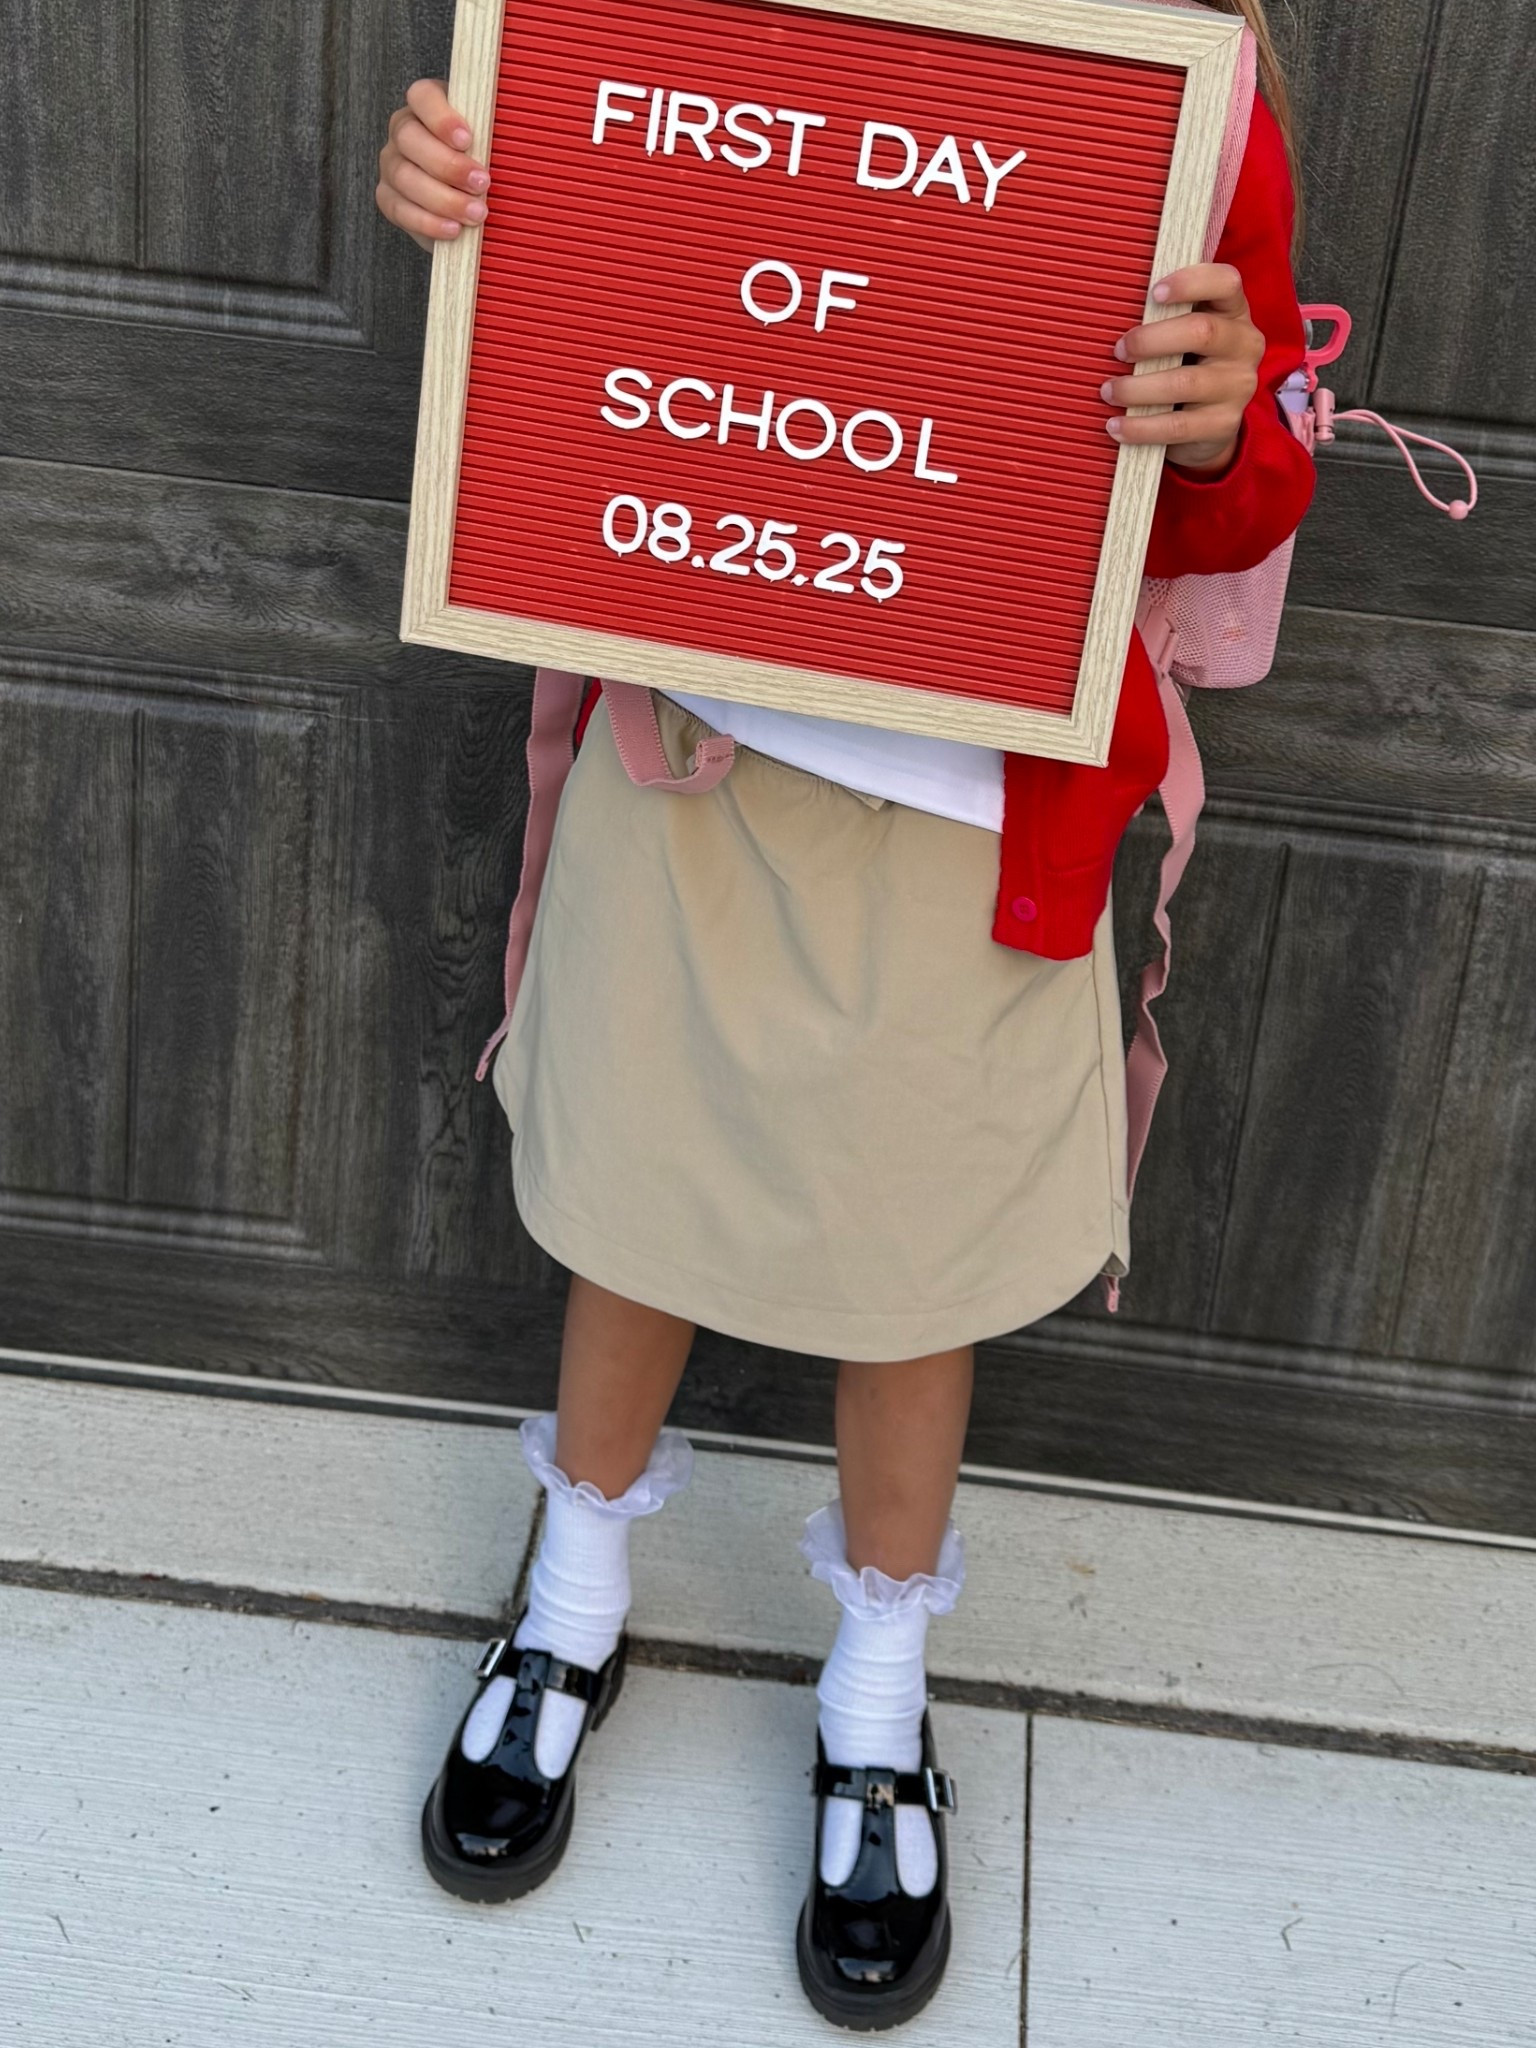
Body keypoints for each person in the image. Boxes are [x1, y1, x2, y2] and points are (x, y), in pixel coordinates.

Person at [375, 4, 1314, 2027]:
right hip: (700, 753)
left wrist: (1234, 414)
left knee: (917, 1277)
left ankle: (878, 1696)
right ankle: (572, 1607)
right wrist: (467, 200)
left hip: (985, 820)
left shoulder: (1182, 82)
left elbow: (1241, 498)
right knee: (635, 1205)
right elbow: (575, 283)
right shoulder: (703, 25)